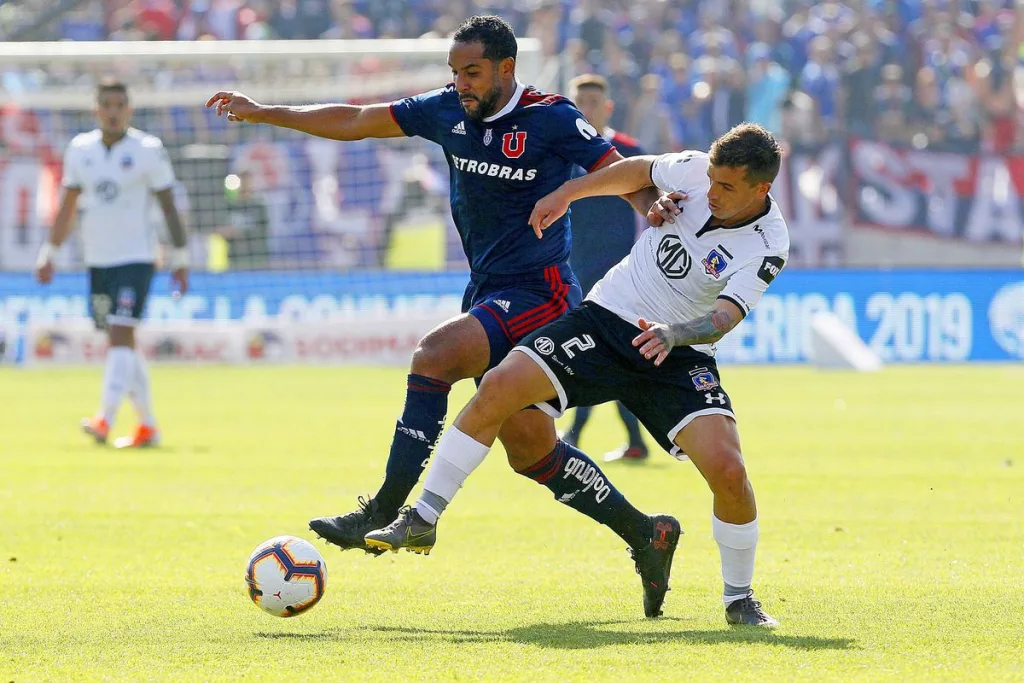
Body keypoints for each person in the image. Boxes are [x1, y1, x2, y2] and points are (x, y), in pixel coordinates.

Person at [206, 17, 679, 608]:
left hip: (542, 291)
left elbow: (618, 170)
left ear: (507, 69)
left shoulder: (550, 117)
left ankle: (384, 509)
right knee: (530, 448)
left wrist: (650, 203)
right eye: (454, 72)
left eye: (472, 72)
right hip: (488, 290)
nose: (460, 83)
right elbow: (357, 120)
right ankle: (647, 532)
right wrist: (264, 111)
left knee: (434, 356)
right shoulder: (445, 111)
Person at [367, 123, 788, 627]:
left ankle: (739, 599)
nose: (711, 193)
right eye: (712, 181)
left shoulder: (768, 243)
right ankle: (423, 517)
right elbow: (635, 170)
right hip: (606, 318)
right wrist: (569, 192)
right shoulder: (698, 169)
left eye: (726, 188)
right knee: (499, 386)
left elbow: (724, 316)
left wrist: (675, 334)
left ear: (760, 189)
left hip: (675, 352)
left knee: (730, 472)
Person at [35, 78, 189, 448]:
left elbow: (168, 205)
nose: (114, 111)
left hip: (137, 256)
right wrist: (49, 253)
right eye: (107, 104)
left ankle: (104, 418)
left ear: (130, 110)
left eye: (120, 104)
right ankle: (148, 425)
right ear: (96, 109)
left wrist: (180, 256)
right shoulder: (80, 149)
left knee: (120, 332)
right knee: (122, 339)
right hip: (98, 260)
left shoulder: (148, 149)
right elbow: (67, 205)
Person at [561, 73, 650, 462]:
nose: (587, 110)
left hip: (620, 272)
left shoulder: (628, 151)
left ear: (608, 107)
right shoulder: (561, 154)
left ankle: (576, 434)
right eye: (580, 103)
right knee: (599, 355)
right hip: (572, 270)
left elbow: (652, 204)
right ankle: (634, 440)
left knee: (596, 352)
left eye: (594, 103)